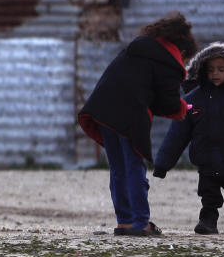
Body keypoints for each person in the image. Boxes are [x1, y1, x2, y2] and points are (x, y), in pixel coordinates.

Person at [78, 12, 198, 237]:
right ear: (181, 52)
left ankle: (124, 221)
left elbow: (151, 95)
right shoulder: (169, 61)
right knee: (134, 166)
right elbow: (169, 101)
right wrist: (183, 109)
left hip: (103, 109)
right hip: (128, 115)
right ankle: (141, 222)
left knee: (118, 168)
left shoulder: (137, 49)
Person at [153, 42, 224, 234]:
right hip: (206, 162)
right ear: (202, 71)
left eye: (221, 69)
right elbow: (177, 134)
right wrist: (163, 163)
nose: (215, 74)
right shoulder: (193, 100)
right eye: (210, 70)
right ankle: (208, 220)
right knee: (208, 195)